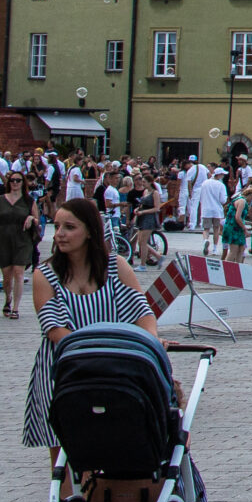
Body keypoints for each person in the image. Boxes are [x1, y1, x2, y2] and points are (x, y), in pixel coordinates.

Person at [23, 198, 172, 468]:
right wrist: (98, 352)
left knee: (108, 442)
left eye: (69, 227)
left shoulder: (115, 267)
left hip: (114, 367)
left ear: (91, 230)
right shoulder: (45, 273)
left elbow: (142, 312)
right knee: (62, 452)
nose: (60, 234)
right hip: (64, 368)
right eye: (57, 226)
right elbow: (55, 328)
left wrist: (150, 342)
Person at [0, 171, 41, 320]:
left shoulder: (28, 200)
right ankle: (8, 298)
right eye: (12, 180)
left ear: (22, 183)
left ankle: (16, 308)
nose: (15, 183)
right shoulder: (1, 200)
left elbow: (37, 220)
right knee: (7, 276)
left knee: (19, 272)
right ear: (8, 182)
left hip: (22, 239)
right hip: (4, 238)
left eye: (18, 180)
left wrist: (31, 218)